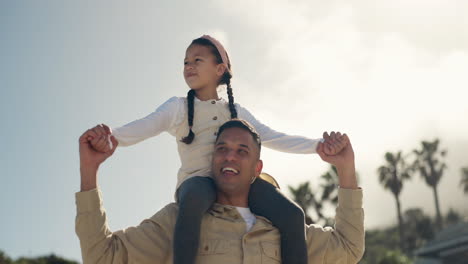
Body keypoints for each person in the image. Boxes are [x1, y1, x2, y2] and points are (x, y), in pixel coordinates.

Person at [85, 35, 348, 264]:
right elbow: (147, 125)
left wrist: (317, 146)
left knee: (293, 214)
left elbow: (271, 136)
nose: (189, 66)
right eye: (186, 62)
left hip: (240, 185)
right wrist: (112, 138)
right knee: (196, 198)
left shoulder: (236, 112)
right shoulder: (177, 108)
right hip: (196, 183)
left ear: (219, 68)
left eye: (197, 60)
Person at [76, 119, 364, 263]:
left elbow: (349, 249)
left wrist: (345, 169)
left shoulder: (285, 229)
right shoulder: (178, 220)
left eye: (242, 151)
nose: (230, 157)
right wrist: (90, 171)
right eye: (222, 149)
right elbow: (102, 256)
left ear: (257, 167)